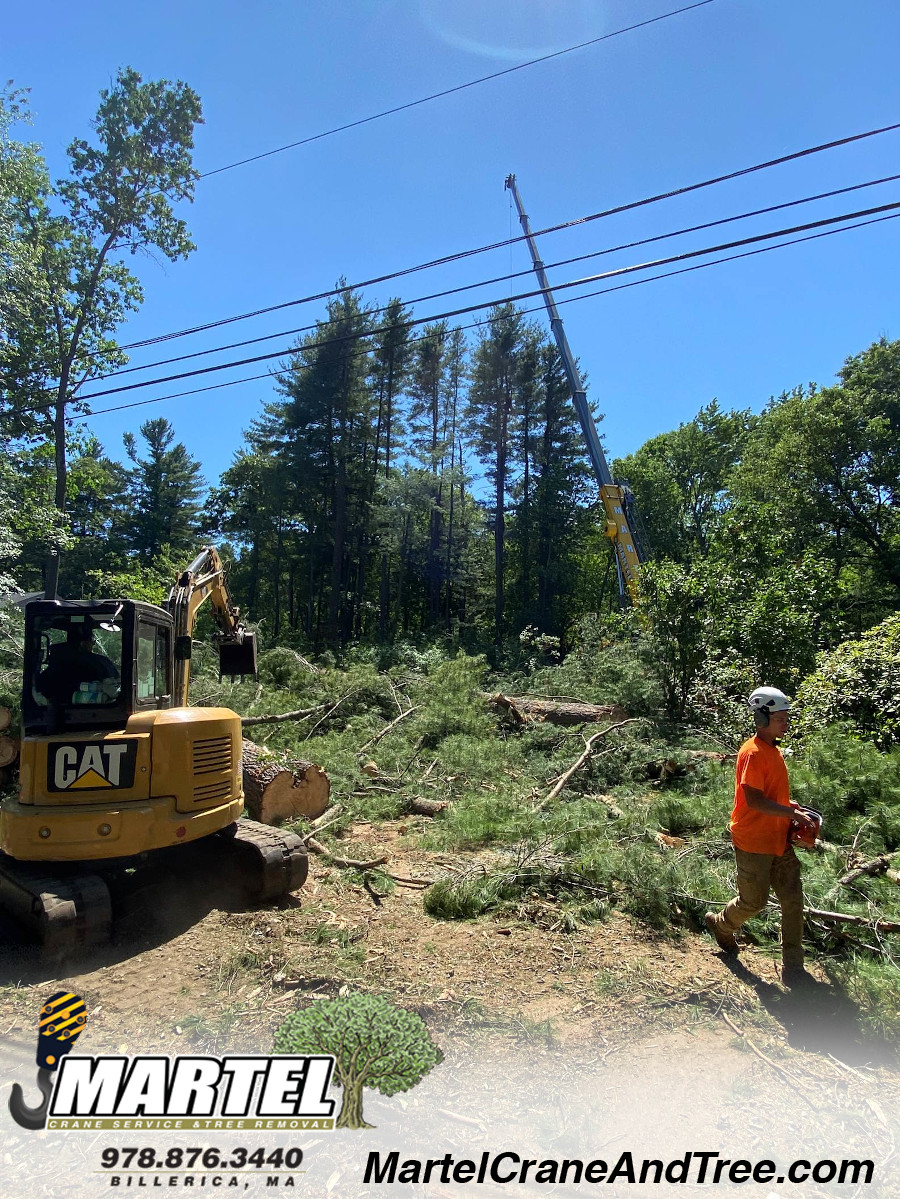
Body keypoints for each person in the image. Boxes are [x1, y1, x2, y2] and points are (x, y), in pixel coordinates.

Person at [705, 686, 818, 988]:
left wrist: (791, 808)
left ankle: (794, 968)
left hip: (778, 839)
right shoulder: (753, 753)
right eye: (781, 719)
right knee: (753, 903)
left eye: (786, 718)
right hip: (754, 841)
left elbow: (772, 795)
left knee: (793, 900)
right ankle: (721, 923)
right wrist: (791, 815)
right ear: (762, 717)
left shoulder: (774, 750)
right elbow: (754, 801)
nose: (787, 724)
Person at [37, 619, 120, 707]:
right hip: (98, 712)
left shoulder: (56, 663)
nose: (93, 644)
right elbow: (116, 686)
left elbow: (42, 687)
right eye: (92, 641)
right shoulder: (102, 663)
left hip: (54, 712)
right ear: (83, 643)